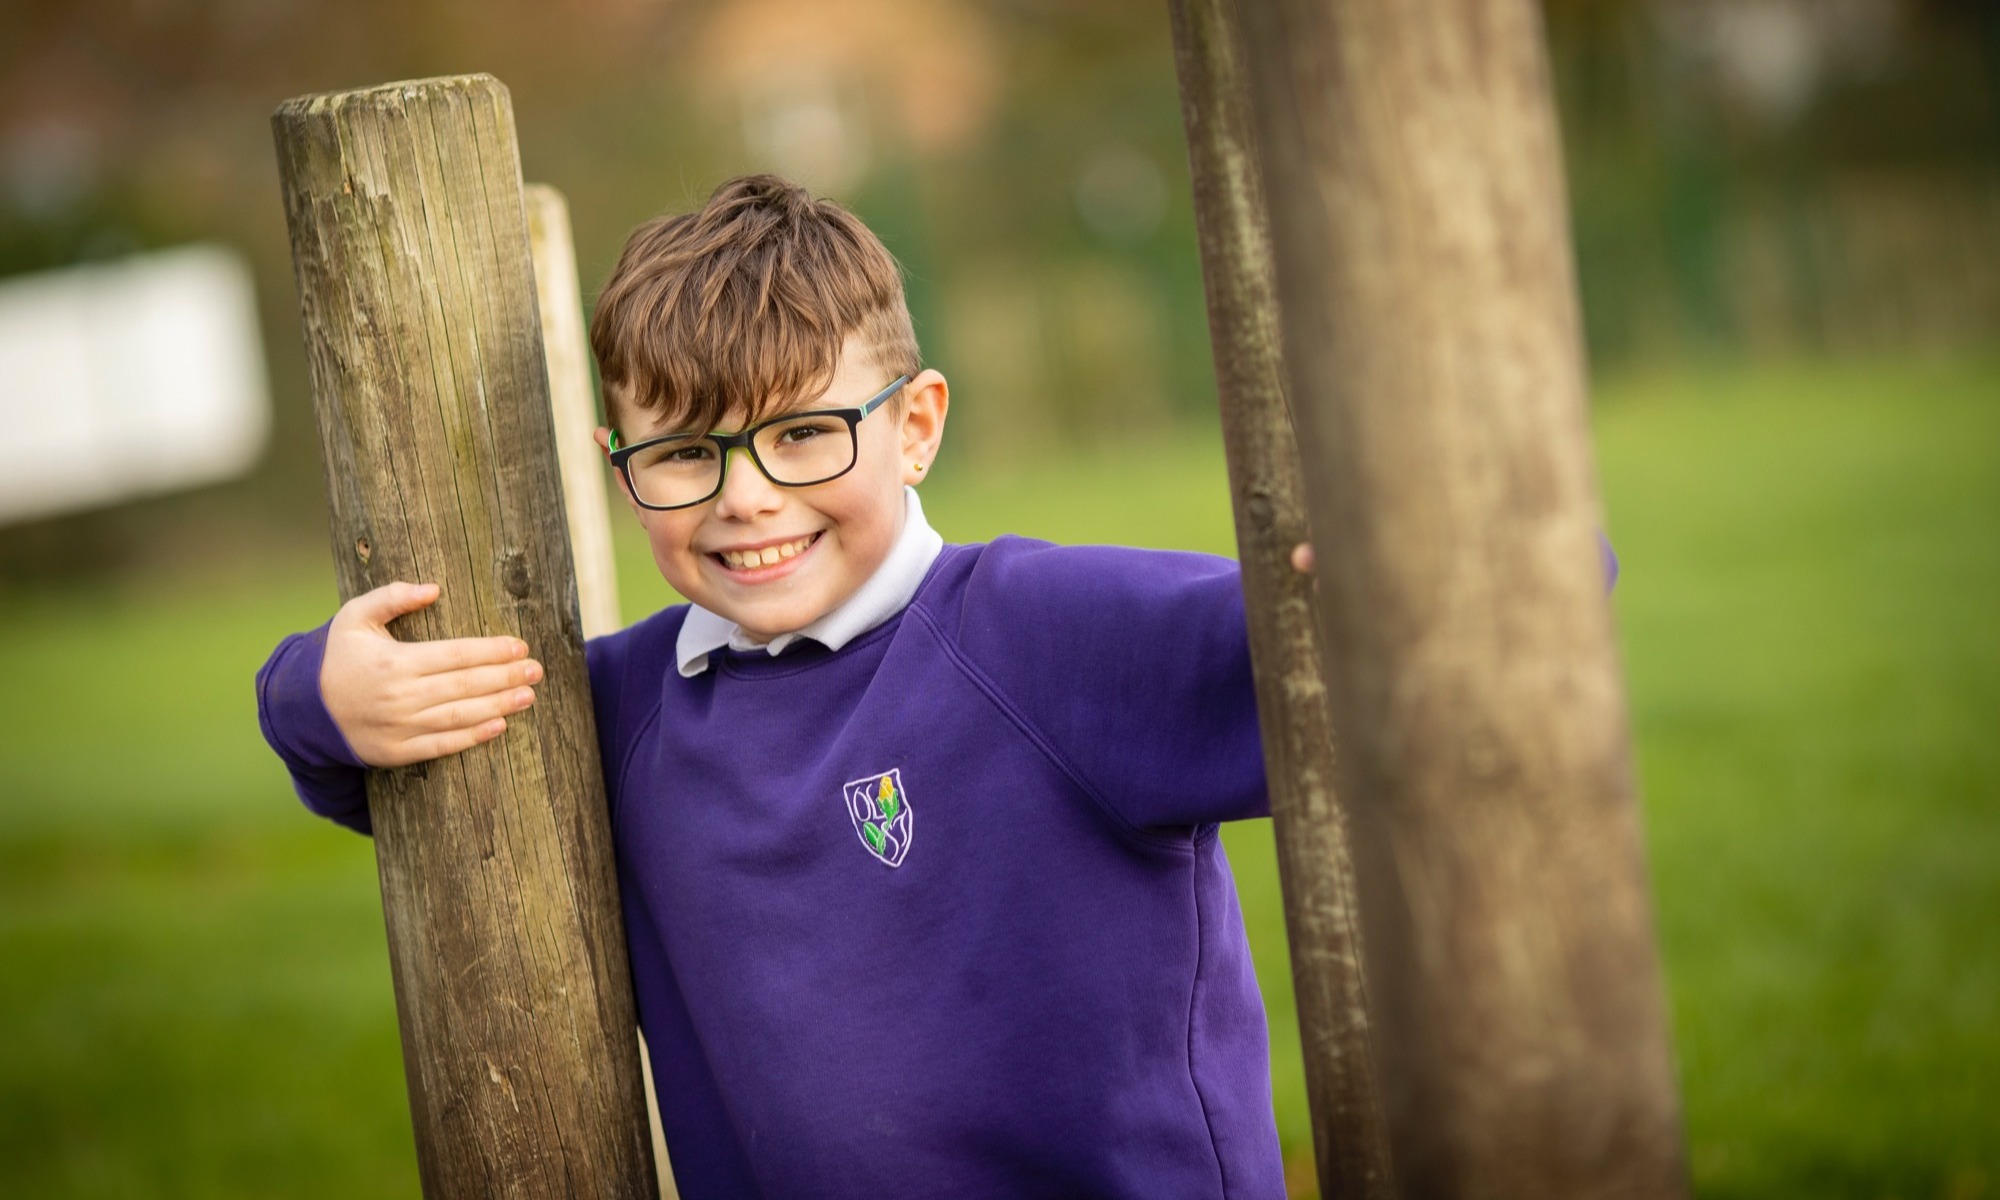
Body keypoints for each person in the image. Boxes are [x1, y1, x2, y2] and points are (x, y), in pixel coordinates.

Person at [257, 174, 1279, 1199]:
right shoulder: (613, 716)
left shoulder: (1049, 633)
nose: (745, 499)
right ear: (622, 471)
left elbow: (1320, 657)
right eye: (684, 453)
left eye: (800, 435)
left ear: (914, 425)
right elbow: (373, 768)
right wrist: (326, 695)